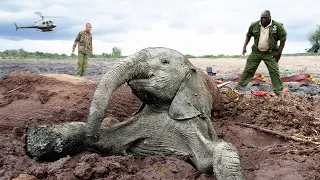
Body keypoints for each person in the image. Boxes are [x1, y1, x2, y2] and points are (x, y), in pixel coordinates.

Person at [236, 10, 287, 96]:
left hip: (270, 52)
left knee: (274, 71)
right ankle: (240, 87)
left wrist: (279, 53)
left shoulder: (277, 26)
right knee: (249, 69)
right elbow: (248, 35)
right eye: (261, 18)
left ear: (270, 18)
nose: (263, 20)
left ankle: (278, 91)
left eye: (265, 18)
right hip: (256, 51)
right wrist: (244, 47)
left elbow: (283, 39)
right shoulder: (254, 25)